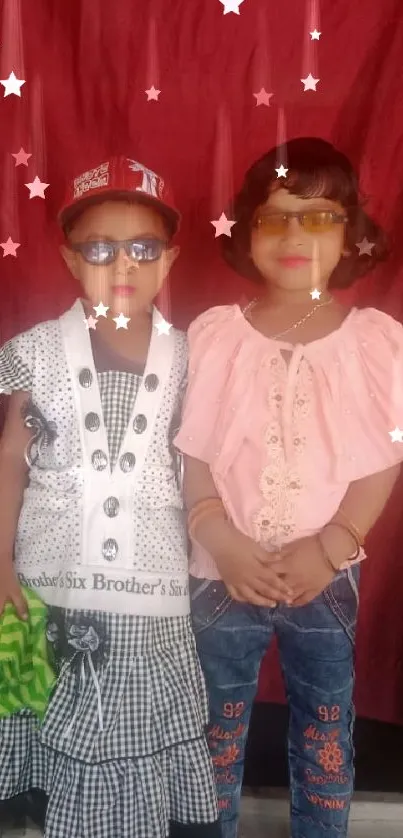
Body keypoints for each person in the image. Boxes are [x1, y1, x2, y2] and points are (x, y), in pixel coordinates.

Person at [174, 137, 403, 838]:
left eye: (318, 217)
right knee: (212, 730)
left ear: (352, 235)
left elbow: (382, 458)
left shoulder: (373, 341)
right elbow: (194, 450)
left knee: (324, 729)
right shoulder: (216, 336)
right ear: (247, 234)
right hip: (223, 575)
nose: (295, 234)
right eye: (275, 218)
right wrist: (219, 537)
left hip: (323, 577)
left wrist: (331, 545)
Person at [0, 155, 221, 838]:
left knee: (124, 732)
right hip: (47, 577)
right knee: (50, 714)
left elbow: (206, 461)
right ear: (70, 260)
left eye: (141, 248)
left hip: (150, 586)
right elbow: (12, 455)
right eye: (98, 248)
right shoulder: (36, 351)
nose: (120, 263)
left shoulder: (192, 356)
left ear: (169, 258)